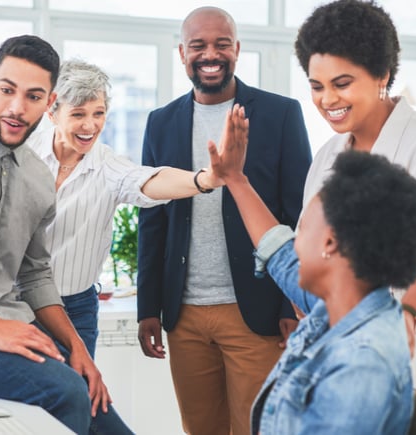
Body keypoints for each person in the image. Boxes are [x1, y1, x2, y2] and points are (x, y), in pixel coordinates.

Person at [0, 35, 133, 435]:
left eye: (33, 96)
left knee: (102, 411)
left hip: (11, 323)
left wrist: (78, 350)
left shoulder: (37, 178)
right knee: (68, 391)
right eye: (6, 90)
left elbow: (34, 276)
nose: (17, 108)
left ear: (50, 103)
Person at [294, 1, 416, 431]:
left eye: (342, 83)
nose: (328, 99)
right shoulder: (327, 157)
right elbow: (311, 247)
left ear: (382, 76)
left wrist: (408, 317)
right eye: (317, 86)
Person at [136, 6, 313, 434]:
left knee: (255, 427)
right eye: (198, 46)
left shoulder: (280, 114)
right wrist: (148, 308)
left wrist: (291, 302)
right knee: (200, 428)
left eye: (221, 44)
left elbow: (300, 216)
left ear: (237, 49)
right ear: (182, 53)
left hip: (255, 310)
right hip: (185, 314)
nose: (209, 54)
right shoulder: (160, 123)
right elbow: (152, 221)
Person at [210, 104, 416, 434]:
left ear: (330, 243)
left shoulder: (362, 362)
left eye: (303, 229)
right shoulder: (338, 306)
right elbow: (280, 254)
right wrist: (235, 179)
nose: (295, 240)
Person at [27, 59, 227, 359]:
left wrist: (204, 179)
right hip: (19, 305)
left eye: (99, 113)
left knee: (76, 398)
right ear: (52, 112)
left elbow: (147, 180)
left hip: (75, 309)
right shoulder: (24, 154)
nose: (90, 125)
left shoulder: (107, 165)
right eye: (78, 114)